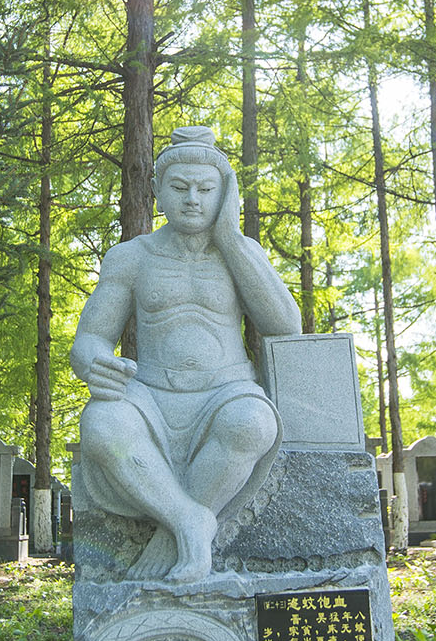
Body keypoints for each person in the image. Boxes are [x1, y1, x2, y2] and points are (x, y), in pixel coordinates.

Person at [71, 126, 302, 582]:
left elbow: (285, 324)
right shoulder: (132, 256)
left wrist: (231, 239)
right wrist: (95, 364)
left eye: (205, 189)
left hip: (226, 392)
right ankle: (188, 519)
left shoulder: (241, 253)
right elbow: (90, 337)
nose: (192, 199)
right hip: (151, 395)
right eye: (179, 188)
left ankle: (168, 539)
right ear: (157, 191)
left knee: (253, 423)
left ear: (225, 194)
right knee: (101, 424)